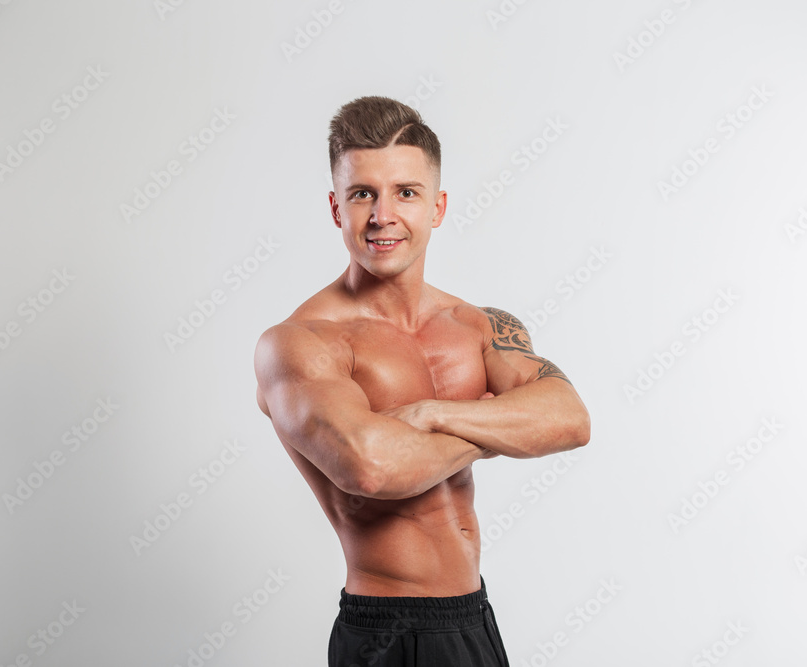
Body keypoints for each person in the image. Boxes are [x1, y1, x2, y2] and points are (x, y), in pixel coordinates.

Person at [253, 95, 590, 666]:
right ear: (338, 209)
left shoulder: (478, 324)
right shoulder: (300, 343)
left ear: (437, 206)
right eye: (364, 194)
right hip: (388, 630)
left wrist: (434, 414)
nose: (383, 215)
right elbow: (375, 468)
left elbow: (570, 418)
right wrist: (498, 426)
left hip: (475, 617)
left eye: (405, 192)